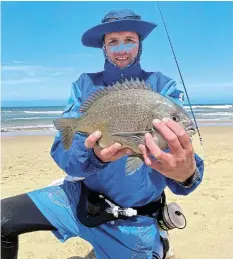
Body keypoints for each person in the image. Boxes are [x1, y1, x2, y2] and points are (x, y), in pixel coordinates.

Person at [1, 9, 204, 259]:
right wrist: (94, 157)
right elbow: (66, 159)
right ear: (104, 47)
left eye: (129, 40)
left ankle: (156, 242)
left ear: (139, 44)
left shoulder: (163, 88)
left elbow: (184, 164)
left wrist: (186, 175)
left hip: (135, 218)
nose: (121, 49)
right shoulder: (84, 85)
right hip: (80, 201)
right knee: (3, 219)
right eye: (113, 41)